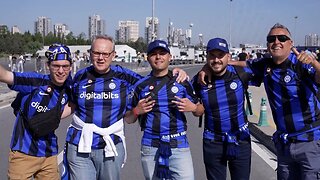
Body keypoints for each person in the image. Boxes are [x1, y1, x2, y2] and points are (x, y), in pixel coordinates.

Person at [200, 23, 320, 180]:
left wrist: (315, 63)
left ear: (291, 43)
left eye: (282, 38)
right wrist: (209, 66)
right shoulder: (265, 65)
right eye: (272, 39)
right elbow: (241, 65)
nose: (276, 42)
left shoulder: (301, 63)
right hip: (284, 145)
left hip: (310, 143)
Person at [62, 35, 188, 180]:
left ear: (113, 55)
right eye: (97, 53)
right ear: (90, 53)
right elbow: (70, 104)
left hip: (111, 146)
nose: (101, 58)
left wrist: (175, 72)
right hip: (80, 144)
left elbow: (153, 81)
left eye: (105, 54)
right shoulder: (80, 76)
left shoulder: (124, 75)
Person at [124, 40, 204, 180]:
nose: (158, 57)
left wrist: (193, 107)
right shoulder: (140, 86)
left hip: (178, 145)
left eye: (162, 53)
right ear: (147, 58)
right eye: (154, 54)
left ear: (169, 57)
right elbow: (128, 119)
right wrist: (137, 110)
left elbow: (200, 110)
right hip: (150, 146)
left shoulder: (181, 81)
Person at [0, 43, 72, 179]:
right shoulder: (35, 81)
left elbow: (75, 105)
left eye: (65, 66)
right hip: (23, 155)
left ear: (70, 67)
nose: (61, 71)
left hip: (49, 156)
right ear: (47, 66)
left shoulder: (69, 89)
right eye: (56, 66)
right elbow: (4, 75)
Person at [193, 38, 257, 180]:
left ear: (228, 56)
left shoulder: (241, 73)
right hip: (213, 142)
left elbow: (265, 65)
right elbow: (180, 90)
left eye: (220, 55)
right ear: (207, 57)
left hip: (240, 140)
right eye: (212, 56)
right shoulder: (199, 80)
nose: (216, 60)